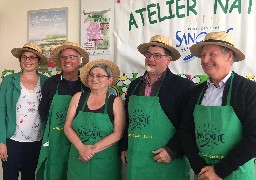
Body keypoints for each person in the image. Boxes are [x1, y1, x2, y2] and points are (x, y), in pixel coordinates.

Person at [180, 31, 256, 180]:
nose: (205, 60)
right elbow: (186, 130)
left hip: (237, 173)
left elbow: (254, 136)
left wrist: (219, 171)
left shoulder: (248, 90)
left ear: (229, 56)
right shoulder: (196, 92)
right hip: (204, 174)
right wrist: (200, 168)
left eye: (212, 54)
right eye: (203, 55)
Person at [119, 35, 195, 179]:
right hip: (136, 160)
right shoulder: (135, 85)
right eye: (148, 54)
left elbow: (190, 124)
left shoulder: (184, 87)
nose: (151, 59)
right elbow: (128, 119)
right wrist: (124, 146)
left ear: (168, 59)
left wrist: (173, 150)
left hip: (166, 161)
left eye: (157, 55)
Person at [36, 41, 90, 180]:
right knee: (54, 171)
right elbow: (43, 112)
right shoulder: (51, 83)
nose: (67, 60)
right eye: (64, 57)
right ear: (60, 61)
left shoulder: (87, 85)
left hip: (79, 140)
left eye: (72, 57)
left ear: (79, 60)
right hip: (55, 139)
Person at [64, 59, 125, 180]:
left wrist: (90, 151)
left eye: (99, 76)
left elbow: (118, 133)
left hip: (105, 163)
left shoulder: (115, 102)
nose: (94, 78)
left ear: (110, 80)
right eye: (91, 75)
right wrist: (82, 148)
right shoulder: (78, 97)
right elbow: (67, 127)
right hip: (78, 158)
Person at [0, 43, 48, 180]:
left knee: (30, 176)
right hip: (12, 140)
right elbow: (1, 110)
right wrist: (1, 142)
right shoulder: (9, 80)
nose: (28, 61)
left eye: (32, 57)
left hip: (36, 141)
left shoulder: (46, 82)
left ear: (38, 61)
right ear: (20, 60)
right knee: (10, 176)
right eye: (24, 57)